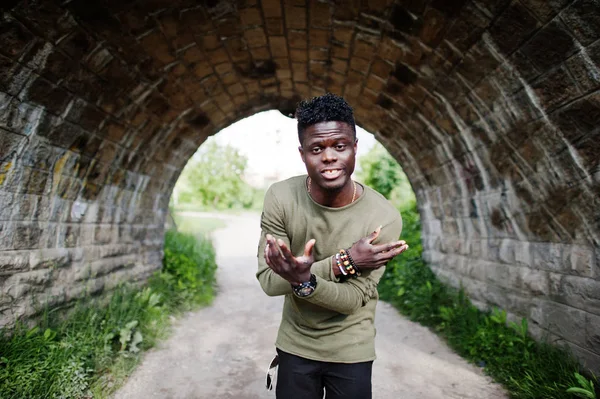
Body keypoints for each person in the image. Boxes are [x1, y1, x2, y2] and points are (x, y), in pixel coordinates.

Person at [256, 93, 408, 399]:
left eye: (339, 146)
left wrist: (303, 279)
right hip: (295, 344)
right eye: (316, 148)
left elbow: (352, 300)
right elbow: (270, 283)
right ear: (303, 154)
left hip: (351, 347)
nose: (328, 157)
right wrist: (344, 262)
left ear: (354, 148)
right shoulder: (281, 198)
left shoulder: (383, 217)